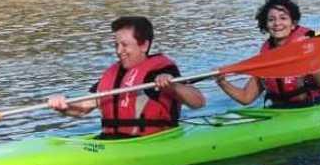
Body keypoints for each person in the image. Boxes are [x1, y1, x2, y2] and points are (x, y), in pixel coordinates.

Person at [47, 16, 206, 137]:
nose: (118, 51)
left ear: (144, 45)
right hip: (113, 142)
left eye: (124, 45)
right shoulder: (111, 74)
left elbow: (198, 102)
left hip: (154, 141)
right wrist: (63, 106)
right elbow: (82, 109)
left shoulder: (161, 70)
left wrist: (173, 86)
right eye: (116, 45)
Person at [216, 0, 320, 108]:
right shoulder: (266, 56)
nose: (277, 23)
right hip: (279, 110)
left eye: (283, 18)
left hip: (313, 106)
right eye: (271, 20)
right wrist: (222, 82)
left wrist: (312, 57)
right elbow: (246, 98)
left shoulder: (308, 46)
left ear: (293, 24)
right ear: (266, 25)